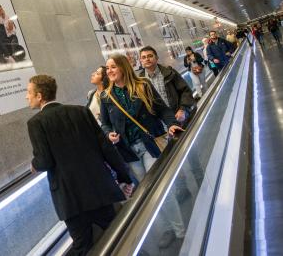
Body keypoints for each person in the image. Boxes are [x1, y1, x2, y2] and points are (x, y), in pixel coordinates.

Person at [25, 74, 133, 256]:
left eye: (28, 93)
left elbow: (44, 161)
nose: (26, 97)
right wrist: (124, 177)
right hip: (98, 189)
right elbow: (105, 147)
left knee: (82, 245)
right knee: (118, 233)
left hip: (70, 198)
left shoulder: (36, 123)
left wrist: (34, 164)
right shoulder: (80, 111)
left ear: (40, 96)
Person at [99, 54, 185, 248]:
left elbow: (162, 109)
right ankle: (166, 228)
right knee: (146, 193)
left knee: (158, 187)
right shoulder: (106, 96)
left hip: (150, 144)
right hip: (128, 151)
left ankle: (180, 229)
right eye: (107, 68)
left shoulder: (143, 85)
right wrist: (108, 134)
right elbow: (105, 124)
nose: (109, 71)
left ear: (123, 68)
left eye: (113, 67)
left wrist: (171, 124)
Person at [138, 46, 195, 125]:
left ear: (157, 58)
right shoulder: (139, 81)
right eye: (143, 57)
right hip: (160, 124)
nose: (147, 59)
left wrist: (182, 109)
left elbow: (185, 91)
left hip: (178, 116)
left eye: (150, 56)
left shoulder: (169, 72)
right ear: (141, 61)